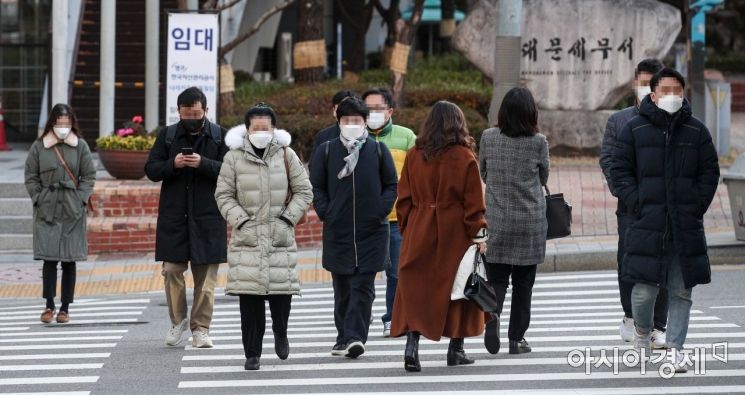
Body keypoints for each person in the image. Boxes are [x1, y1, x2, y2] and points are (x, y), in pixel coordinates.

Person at [611, 68, 720, 373]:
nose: (673, 96)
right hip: (647, 223)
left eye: (678, 90)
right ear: (654, 94)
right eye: (666, 90)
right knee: (644, 292)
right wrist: (637, 202)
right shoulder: (633, 129)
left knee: (681, 290)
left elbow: (709, 172)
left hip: (683, 226)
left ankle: (675, 349)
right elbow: (619, 171)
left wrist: (696, 204)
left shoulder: (696, 131)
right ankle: (643, 333)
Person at [391, 101, 491, 372]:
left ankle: (412, 346)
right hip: (454, 231)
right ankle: (456, 349)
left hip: (419, 226)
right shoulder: (464, 156)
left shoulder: (414, 154)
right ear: (457, 124)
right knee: (458, 288)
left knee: (417, 289)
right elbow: (473, 204)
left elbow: (404, 200)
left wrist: (409, 229)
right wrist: (479, 234)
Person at [215, 104, 313, 371]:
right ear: (247, 129)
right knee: (250, 300)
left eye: (265, 128)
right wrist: (241, 221)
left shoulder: (286, 154)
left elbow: (304, 191)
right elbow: (223, 195)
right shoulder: (233, 158)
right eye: (256, 128)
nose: (261, 132)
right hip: (247, 235)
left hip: (279, 234)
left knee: (282, 296)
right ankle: (252, 353)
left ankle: (280, 332)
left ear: (274, 129)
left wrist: (286, 219)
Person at [310, 96, 398, 359]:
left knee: (364, 286)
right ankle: (342, 336)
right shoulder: (326, 151)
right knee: (343, 287)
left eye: (357, 120)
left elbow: (391, 184)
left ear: (365, 123)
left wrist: (381, 210)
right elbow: (317, 187)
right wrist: (326, 211)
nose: (352, 125)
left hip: (372, 230)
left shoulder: (378, 150)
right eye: (347, 120)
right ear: (338, 122)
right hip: (339, 230)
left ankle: (355, 337)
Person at [144, 87, 229, 348]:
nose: (191, 117)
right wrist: (174, 164)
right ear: (178, 111)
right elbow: (151, 170)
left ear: (206, 110)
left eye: (196, 113)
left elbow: (231, 171)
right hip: (175, 218)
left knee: (206, 282)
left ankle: (200, 329)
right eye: (186, 113)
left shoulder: (219, 137)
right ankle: (177, 320)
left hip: (208, 218)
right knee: (171, 272)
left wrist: (203, 163)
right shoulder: (168, 136)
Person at [600, 59, 668, 347]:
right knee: (628, 263)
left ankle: (658, 325)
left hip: (663, 208)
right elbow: (609, 161)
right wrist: (628, 193)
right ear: (635, 85)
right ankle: (630, 316)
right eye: (643, 84)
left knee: (662, 265)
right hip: (630, 208)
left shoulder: (672, 120)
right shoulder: (619, 120)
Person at [478, 87, 549, 356]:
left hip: (497, 219)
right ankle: (516, 339)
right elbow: (543, 177)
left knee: (496, 278)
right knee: (523, 284)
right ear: (532, 113)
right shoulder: (539, 142)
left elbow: (483, 171)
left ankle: (493, 314)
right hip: (529, 220)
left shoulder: (489, 137)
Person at [25, 103, 96, 324]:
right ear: (52, 123)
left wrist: (80, 198)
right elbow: (31, 175)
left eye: (66, 122)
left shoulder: (80, 146)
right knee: (49, 259)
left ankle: (65, 308)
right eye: (59, 122)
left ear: (71, 122)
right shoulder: (40, 146)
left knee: (69, 260)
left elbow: (89, 175)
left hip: (72, 209)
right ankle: (48, 305)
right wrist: (38, 197)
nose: (62, 126)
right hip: (47, 209)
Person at [361, 87, 416, 337]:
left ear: (390, 111)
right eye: (368, 109)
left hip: (396, 219)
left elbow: (417, 176)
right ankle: (361, 317)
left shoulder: (406, 138)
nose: (372, 114)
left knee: (396, 271)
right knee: (363, 272)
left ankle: (391, 317)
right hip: (362, 220)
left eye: (377, 109)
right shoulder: (354, 137)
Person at [311, 90, 357, 155]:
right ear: (334, 111)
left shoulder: (366, 135)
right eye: (341, 107)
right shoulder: (323, 136)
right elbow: (314, 163)